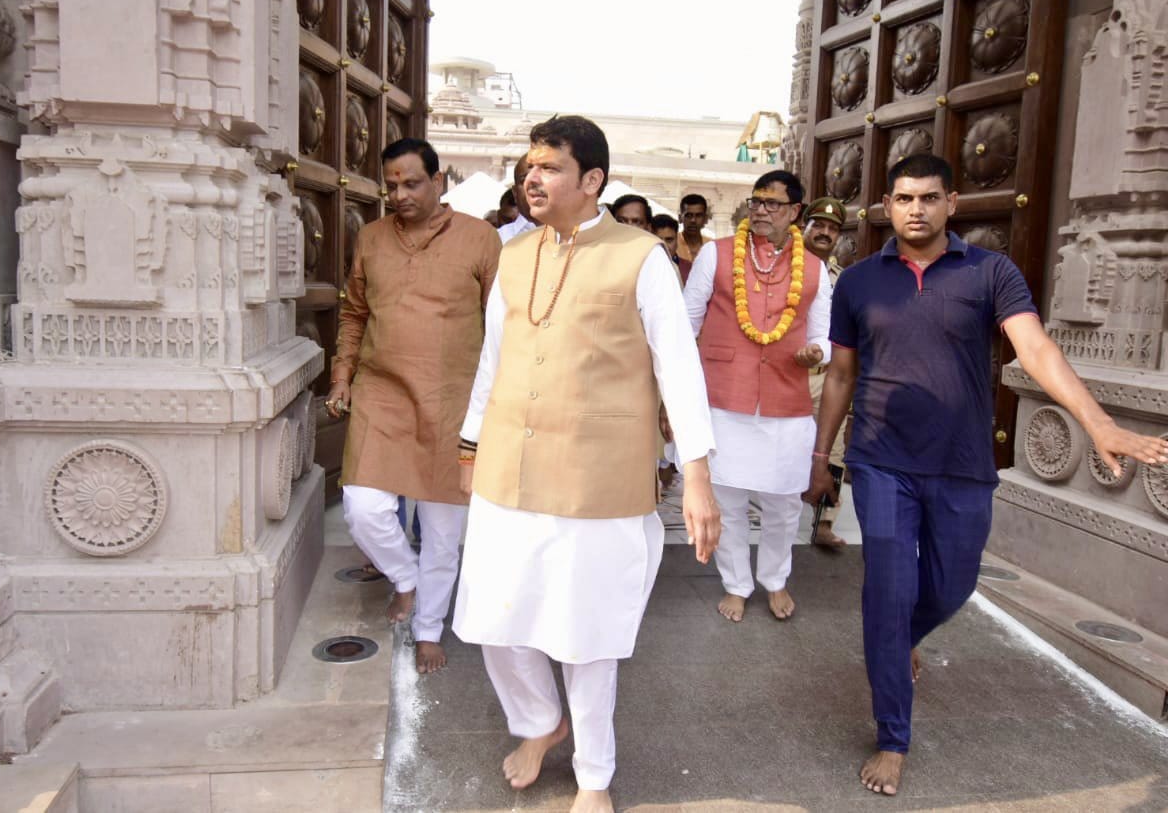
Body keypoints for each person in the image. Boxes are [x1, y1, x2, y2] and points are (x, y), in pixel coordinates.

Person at [804, 153, 1168, 797]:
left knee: (952, 585)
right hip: (881, 459)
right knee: (887, 590)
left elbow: (1035, 349)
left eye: (929, 197)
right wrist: (819, 457)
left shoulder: (989, 271)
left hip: (963, 461)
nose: (916, 208)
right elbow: (839, 375)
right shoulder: (859, 282)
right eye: (904, 198)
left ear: (953, 204)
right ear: (887, 206)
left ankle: (901, 639)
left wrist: (1098, 424)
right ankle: (893, 734)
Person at [453, 115, 720, 813]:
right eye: (527, 166)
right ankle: (541, 721)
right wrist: (470, 442)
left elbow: (679, 369)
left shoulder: (639, 256)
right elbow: (492, 359)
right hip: (507, 462)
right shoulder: (512, 254)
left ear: (592, 179)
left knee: (586, 631)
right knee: (489, 615)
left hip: (598, 476)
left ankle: (594, 772)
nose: (531, 178)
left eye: (548, 167)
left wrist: (696, 473)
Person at [328, 137, 500, 674]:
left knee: (445, 530)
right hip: (382, 392)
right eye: (392, 185)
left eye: (412, 183)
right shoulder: (373, 238)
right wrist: (343, 375)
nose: (400, 194)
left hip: (454, 400)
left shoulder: (480, 239)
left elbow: (502, 327)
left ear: (438, 181)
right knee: (362, 506)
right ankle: (404, 578)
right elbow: (355, 312)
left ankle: (429, 626)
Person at [683, 170, 830, 623]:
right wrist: (679, 399)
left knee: (784, 502)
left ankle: (775, 579)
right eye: (757, 201)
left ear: (795, 213)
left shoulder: (817, 268)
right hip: (724, 396)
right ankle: (736, 584)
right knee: (724, 496)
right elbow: (685, 323)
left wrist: (814, 353)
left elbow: (825, 335)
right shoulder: (716, 254)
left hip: (787, 401)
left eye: (773, 204)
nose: (761, 210)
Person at [801, 196, 851, 549]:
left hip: (829, 376)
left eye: (832, 229)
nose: (824, 232)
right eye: (818, 224)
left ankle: (823, 522)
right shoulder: (783, 268)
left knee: (831, 451)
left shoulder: (842, 279)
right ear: (803, 226)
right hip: (788, 374)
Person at [498, 153, 538, 243]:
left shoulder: (572, 236)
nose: (534, 184)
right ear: (515, 193)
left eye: (542, 177)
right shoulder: (499, 239)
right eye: (524, 180)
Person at [674, 193, 710, 283]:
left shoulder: (712, 246)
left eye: (698, 216)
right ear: (680, 218)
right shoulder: (671, 243)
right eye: (688, 215)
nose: (693, 220)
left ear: (705, 219)